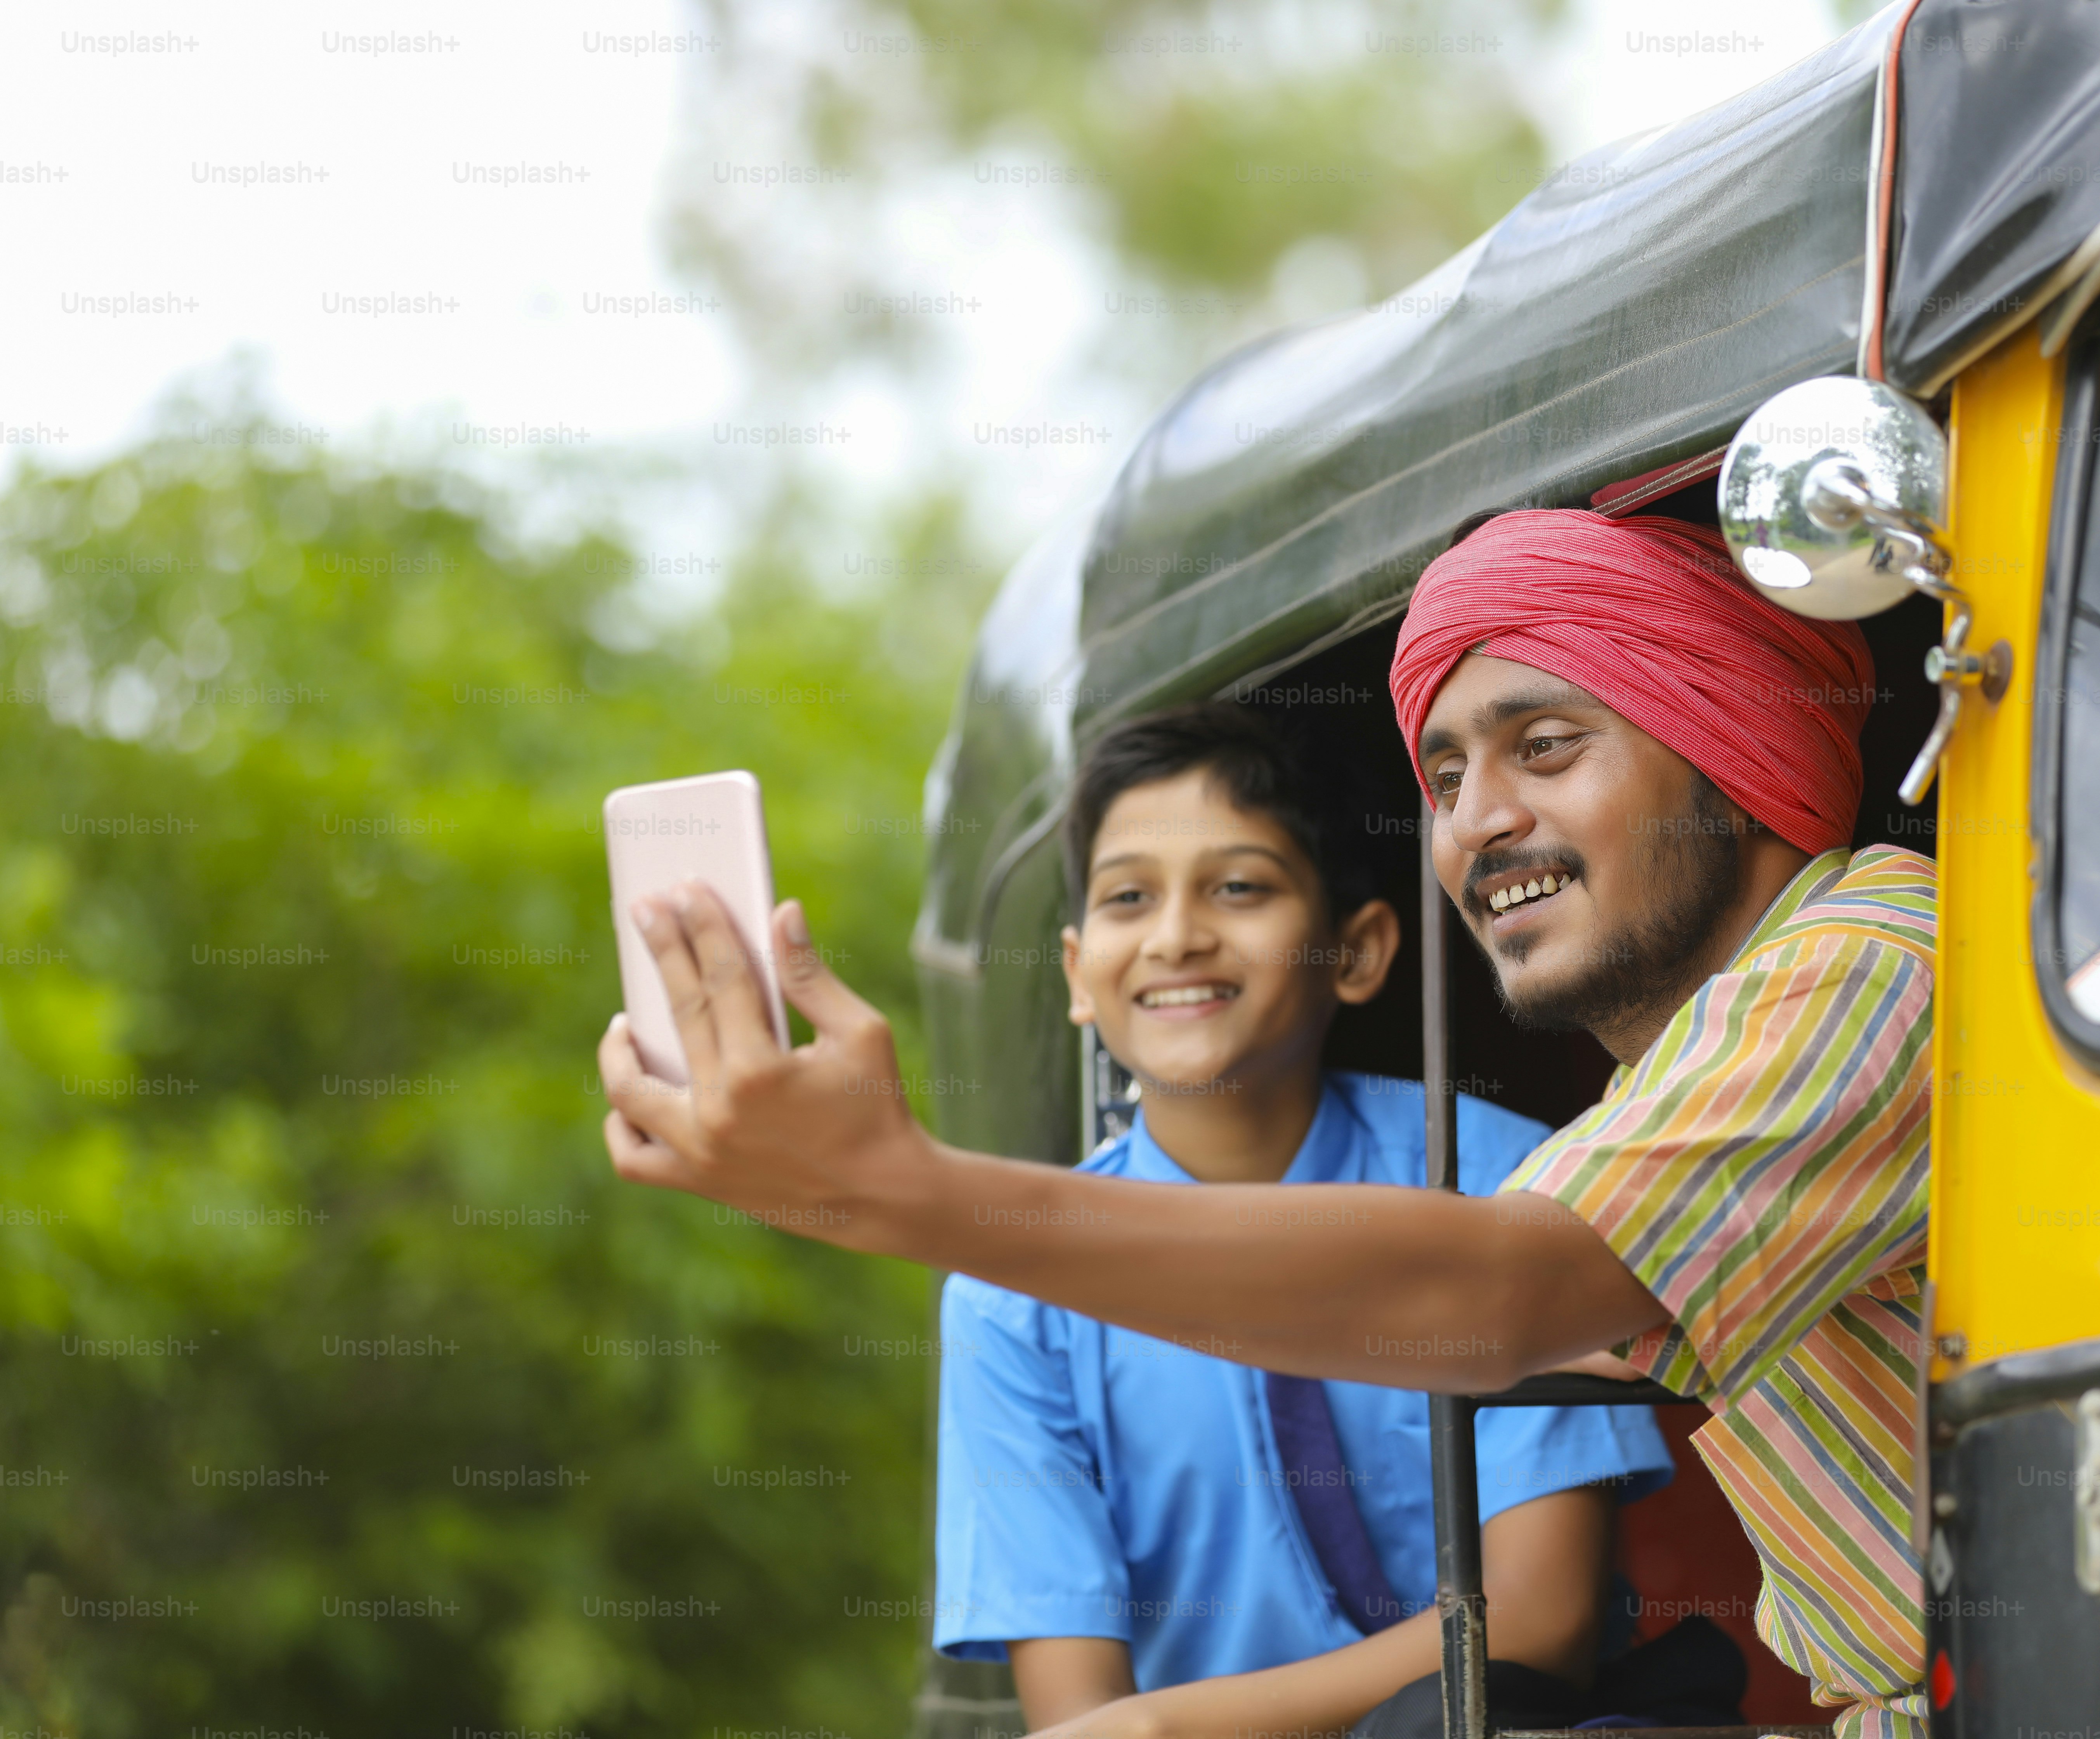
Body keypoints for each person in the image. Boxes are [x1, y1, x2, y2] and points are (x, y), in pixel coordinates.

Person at [597, 507, 1938, 1736]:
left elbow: (1500, 1296)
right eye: (1446, 777)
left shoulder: (1867, 961)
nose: (1481, 823)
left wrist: (908, 1192)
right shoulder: (1661, 1103)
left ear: (1729, 738)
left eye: (1546, 747)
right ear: (1071, 968)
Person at [934, 701, 1671, 1737]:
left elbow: (1535, 1627)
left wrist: (1162, 1729)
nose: (1178, 938)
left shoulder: (1508, 1182)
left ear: (1358, 952)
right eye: (1128, 898)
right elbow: (1076, 1713)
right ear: (1076, 975)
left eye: (1239, 888)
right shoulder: (1015, 1299)